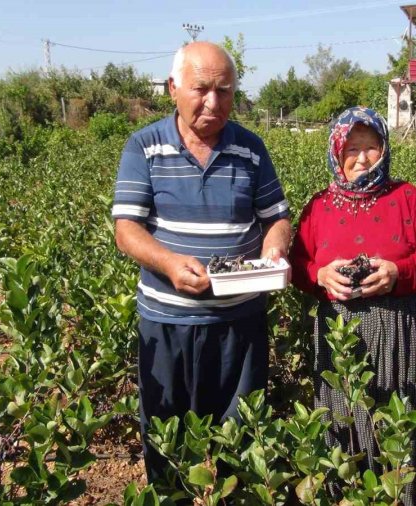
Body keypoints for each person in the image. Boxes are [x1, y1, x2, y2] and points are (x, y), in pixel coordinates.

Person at [112, 41, 292, 480]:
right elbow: (127, 230)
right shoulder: (144, 146)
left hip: (240, 323)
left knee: (240, 439)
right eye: (201, 89)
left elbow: (276, 218)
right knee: (167, 441)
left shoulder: (251, 148)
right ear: (173, 88)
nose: (213, 102)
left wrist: (273, 251)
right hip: (168, 323)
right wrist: (170, 263)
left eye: (224, 90)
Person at [289, 106, 416, 504]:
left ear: (384, 149)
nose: (361, 158)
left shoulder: (406, 197)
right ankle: (350, 492)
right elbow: (298, 265)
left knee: (402, 417)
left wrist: (397, 272)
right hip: (342, 335)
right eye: (352, 149)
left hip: (402, 329)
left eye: (371, 147)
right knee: (347, 419)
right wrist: (321, 275)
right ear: (336, 152)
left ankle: (409, 494)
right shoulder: (319, 206)